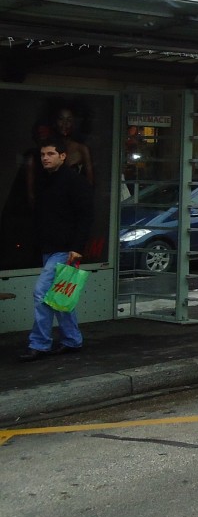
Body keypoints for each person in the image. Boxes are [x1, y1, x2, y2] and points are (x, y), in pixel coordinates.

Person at [19, 136, 94, 361]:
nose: (45, 158)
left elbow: (85, 216)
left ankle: (40, 344)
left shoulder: (74, 181)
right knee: (60, 296)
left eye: (50, 154)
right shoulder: (46, 180)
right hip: (50, 248)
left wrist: (77, 247)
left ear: (63, 156)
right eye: (43, 155)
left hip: (65, 250)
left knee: (41, 293)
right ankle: (72, 340)